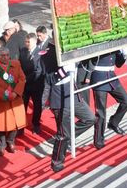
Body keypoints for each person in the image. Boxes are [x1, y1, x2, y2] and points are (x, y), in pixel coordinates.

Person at [40, 41, 95, 172]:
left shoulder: (70, 47)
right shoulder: (47, 54)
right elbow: (49, 79)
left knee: (90, 118)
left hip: (73, 93)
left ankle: (68, 138)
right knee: (63, 134)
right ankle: (57, 162)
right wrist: (63, 71)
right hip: (59, 97)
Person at [0, 47, 26, 156]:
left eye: (7, 55)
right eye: (2, 55)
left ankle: (11, 141)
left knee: (16, 122)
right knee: (1, 124)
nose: (6, 57)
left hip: (16, 99)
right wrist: (7, 95)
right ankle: (1, 145)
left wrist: (16, 92)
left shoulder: (16, 64)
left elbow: (22, 79)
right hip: (2, 101)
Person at [91, 49, 127, 149]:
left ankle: (113, 123)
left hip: (111, 77)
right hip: (99, 78)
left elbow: (118, 64)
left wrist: (123, 55)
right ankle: (98, 140)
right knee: (101, 112)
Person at [19, 33, 44, 134]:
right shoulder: (23, 51)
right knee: (22, 105)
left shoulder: (40, 52)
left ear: (34, 41)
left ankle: (36, 124)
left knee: (37, 105)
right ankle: (21, 125)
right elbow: (19, 64)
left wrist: (26, 79)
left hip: (36, 84)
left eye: (28, 42)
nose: (27, 44)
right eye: (26, 41)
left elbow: (39, 70)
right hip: (24, 84)